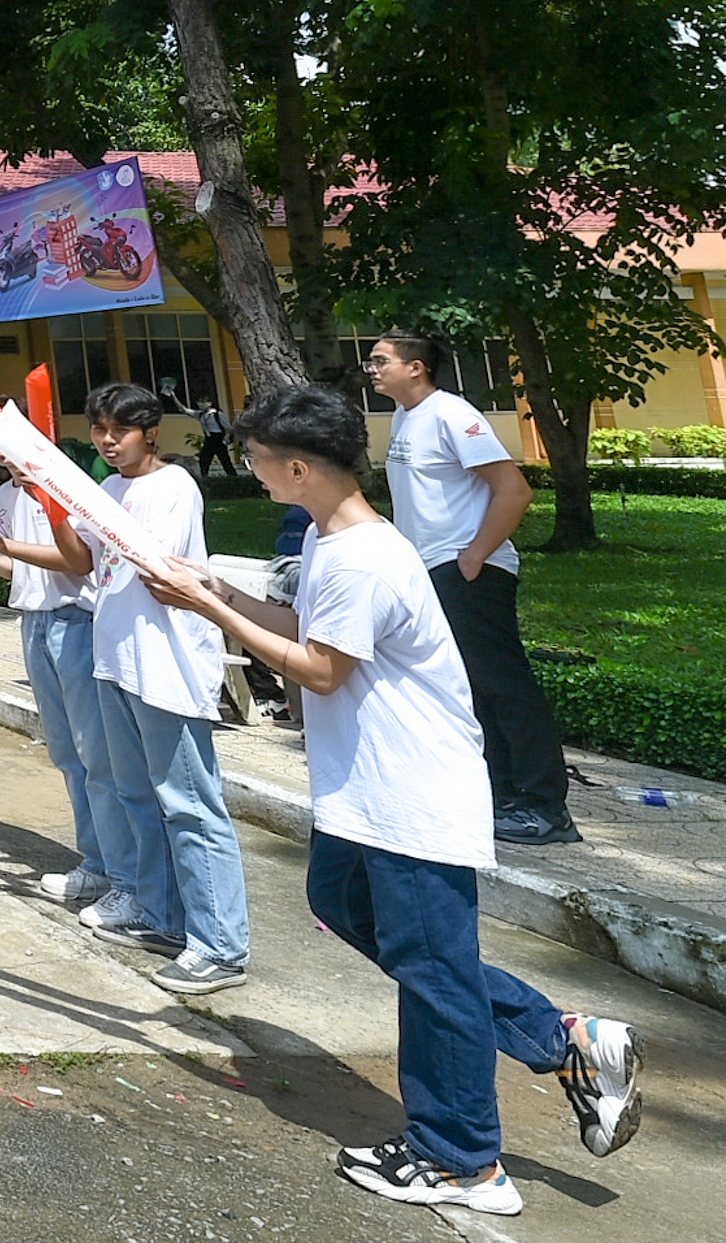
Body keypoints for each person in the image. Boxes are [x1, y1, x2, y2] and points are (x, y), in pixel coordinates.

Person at [136, 384, 642, 1213]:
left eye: (260, 462)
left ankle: (464, 1161)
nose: (253, 472)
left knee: (434, 973)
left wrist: (203, 606)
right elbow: (307, 625)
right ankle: (565, 1038)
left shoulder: (365, 553)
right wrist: (217, 592)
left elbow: (320, 669)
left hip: (411, 793)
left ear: (298, 468)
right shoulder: (335, 541)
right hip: (364, 791)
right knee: (341, 901)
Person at [69, 380, 250, 995]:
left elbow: (157, 568)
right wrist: (51, 492)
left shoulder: (173, 487)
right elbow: (79, 560)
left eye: (119, 430)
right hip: (116, 657)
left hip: (165, 666)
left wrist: (93, 510)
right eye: (99, 431)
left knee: (190, 805)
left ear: (150, 431)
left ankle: (221, 944)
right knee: (138, 794)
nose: (108, 442)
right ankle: (162, 914)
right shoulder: (108, 488)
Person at [367, 333, 575, 846]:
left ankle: (545, 806)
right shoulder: (405, 418)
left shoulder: (451, 414)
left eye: (380, 361)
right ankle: (503, 795)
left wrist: (475, 554)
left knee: (504, 686)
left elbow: (515, 489)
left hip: (470, 573)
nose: (370, 369)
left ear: (416, 368)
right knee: (471, 686)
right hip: (432, 570)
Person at [0, 452, 120, 908]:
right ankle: (97, 861)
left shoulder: (69, 494)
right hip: (33, 622)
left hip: (75, 621)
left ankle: (116, 869)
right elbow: (19, 563)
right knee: (67, 752)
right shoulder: (4, 495)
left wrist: (1, 546)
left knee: (95, 753)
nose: (3, 458)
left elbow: (78, 562)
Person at [195, 400, 233, 484]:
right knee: (204, 460)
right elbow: (184, 410)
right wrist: (173, 396)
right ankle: (205, 481)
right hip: (209, 439)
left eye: (202, 402)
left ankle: (234, 480)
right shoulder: (201, 415)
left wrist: (225, 439)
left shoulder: (218, 414)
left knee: (225, 461)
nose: (199, 404)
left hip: (218, 438)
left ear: (209, 403)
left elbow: (228, 428)